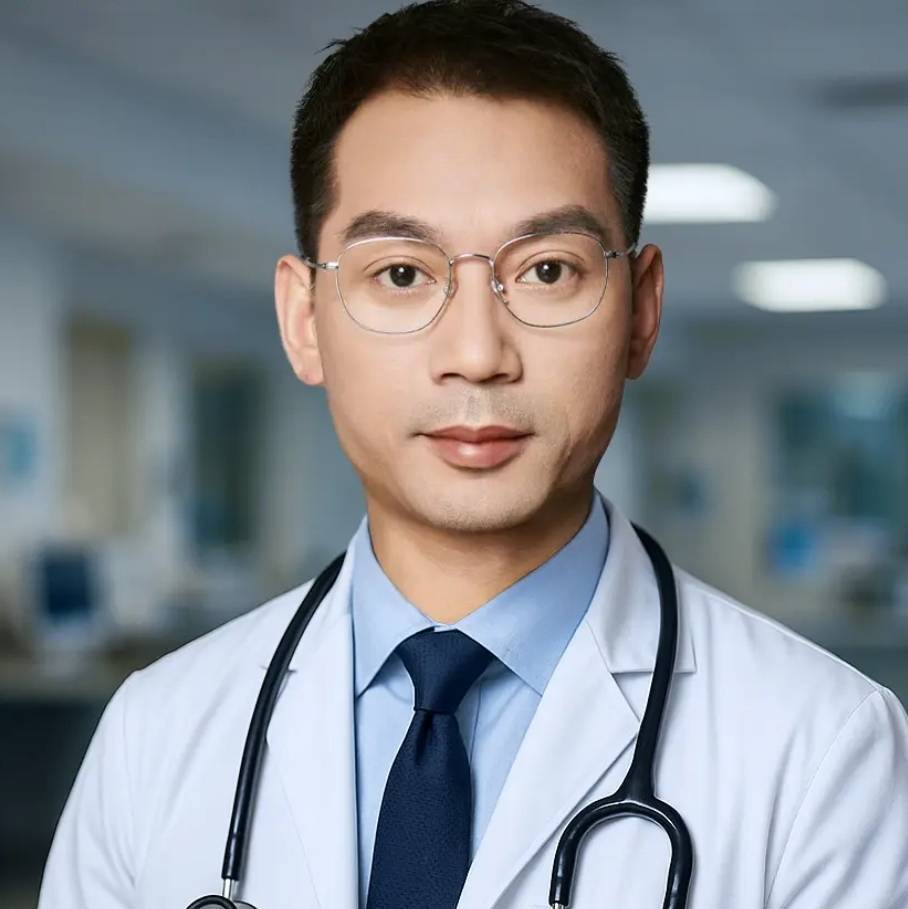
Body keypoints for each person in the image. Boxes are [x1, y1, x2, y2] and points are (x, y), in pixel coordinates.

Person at [38, 1, 908, 907]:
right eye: (402, 274)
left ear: (641, 311)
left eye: (547, 270)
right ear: (304, 320)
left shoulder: (824, 749)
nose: (478, 352)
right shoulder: (157, 731)